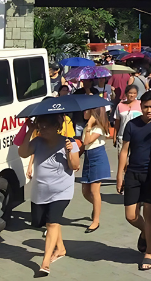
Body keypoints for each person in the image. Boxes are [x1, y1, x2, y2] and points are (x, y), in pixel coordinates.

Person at [18, 114, 80, 276]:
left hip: (62, 190)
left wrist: (69, 152)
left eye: (46, 127)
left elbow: (74, 166)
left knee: (52, 222)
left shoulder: (69, 142)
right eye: (40, 126)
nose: (42, 129)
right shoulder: (37, 142)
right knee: (44, 222)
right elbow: (23, 153)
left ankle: (45, 263)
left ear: (56, 128)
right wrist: (30, 129)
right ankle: (61, 248)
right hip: (40, 190)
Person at [116, 91, 151, 271]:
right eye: (145, 107)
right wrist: (119, 175)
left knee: (150, 214)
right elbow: (123, 151)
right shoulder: (132, 124)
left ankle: (149, 253)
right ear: (140, 106)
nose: (149, 110)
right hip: (133, 173)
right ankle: (145, 231)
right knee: (131, 215)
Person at [81, 106, 111, 233]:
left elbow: (87, 141)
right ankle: (96, 205)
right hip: (88, 158)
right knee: (85, 191)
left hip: (98, 157)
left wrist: (89, 125)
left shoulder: (97, 128)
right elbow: (83, 145)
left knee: (94, 190)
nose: (84, 112)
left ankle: (96, 221)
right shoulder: (87, 128)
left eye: (87, 110)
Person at [114, 85, 142, 157]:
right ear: (126, 94)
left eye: (134, 93)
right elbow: (117, 122)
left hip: (137, 136)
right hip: (122, 136)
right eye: (130, 93)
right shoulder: (120, 105)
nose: (132, 95)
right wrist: (115, 136)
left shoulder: (141, 104)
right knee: (122, 158)